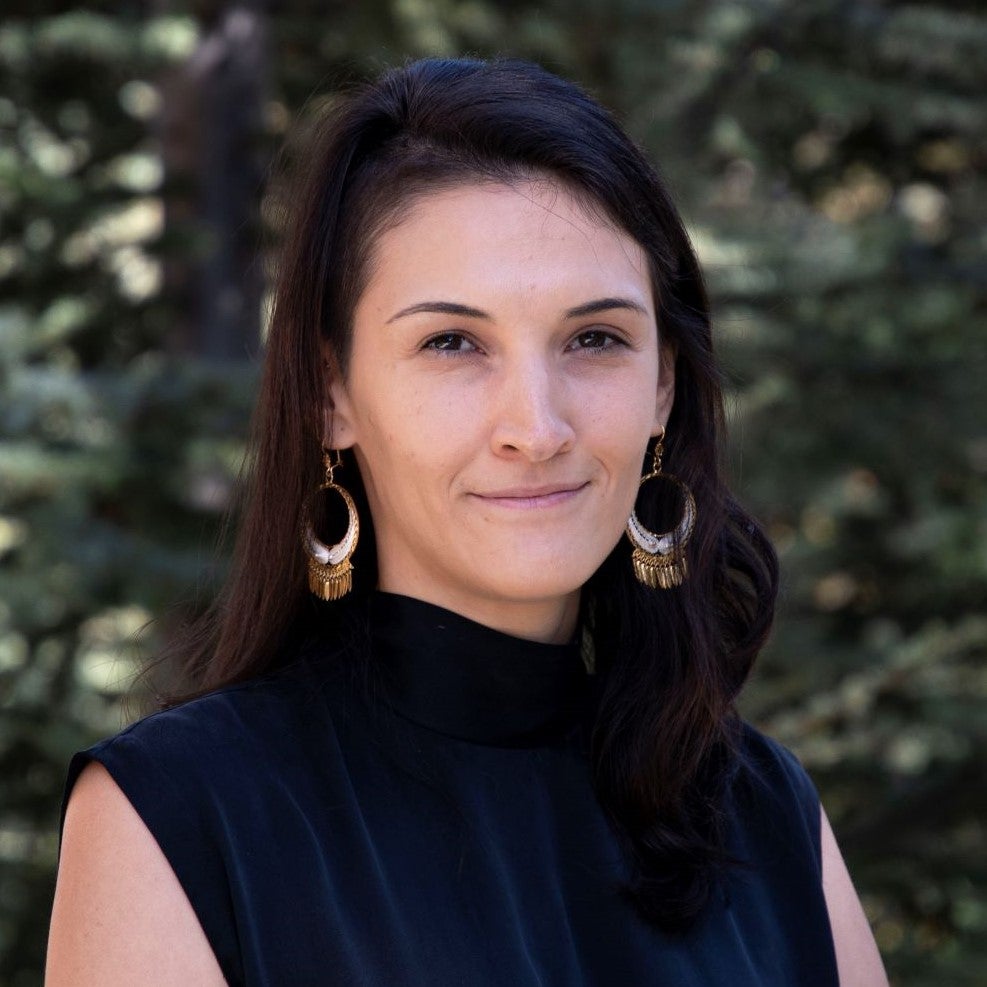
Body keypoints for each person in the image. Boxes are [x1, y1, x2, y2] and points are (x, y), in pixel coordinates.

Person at [45, 57, 888, 986]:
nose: (536, 427)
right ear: (333, 394)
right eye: (452, 343)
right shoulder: (180, 817)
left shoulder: (765, 817)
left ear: (663, 386)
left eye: (595, 338)